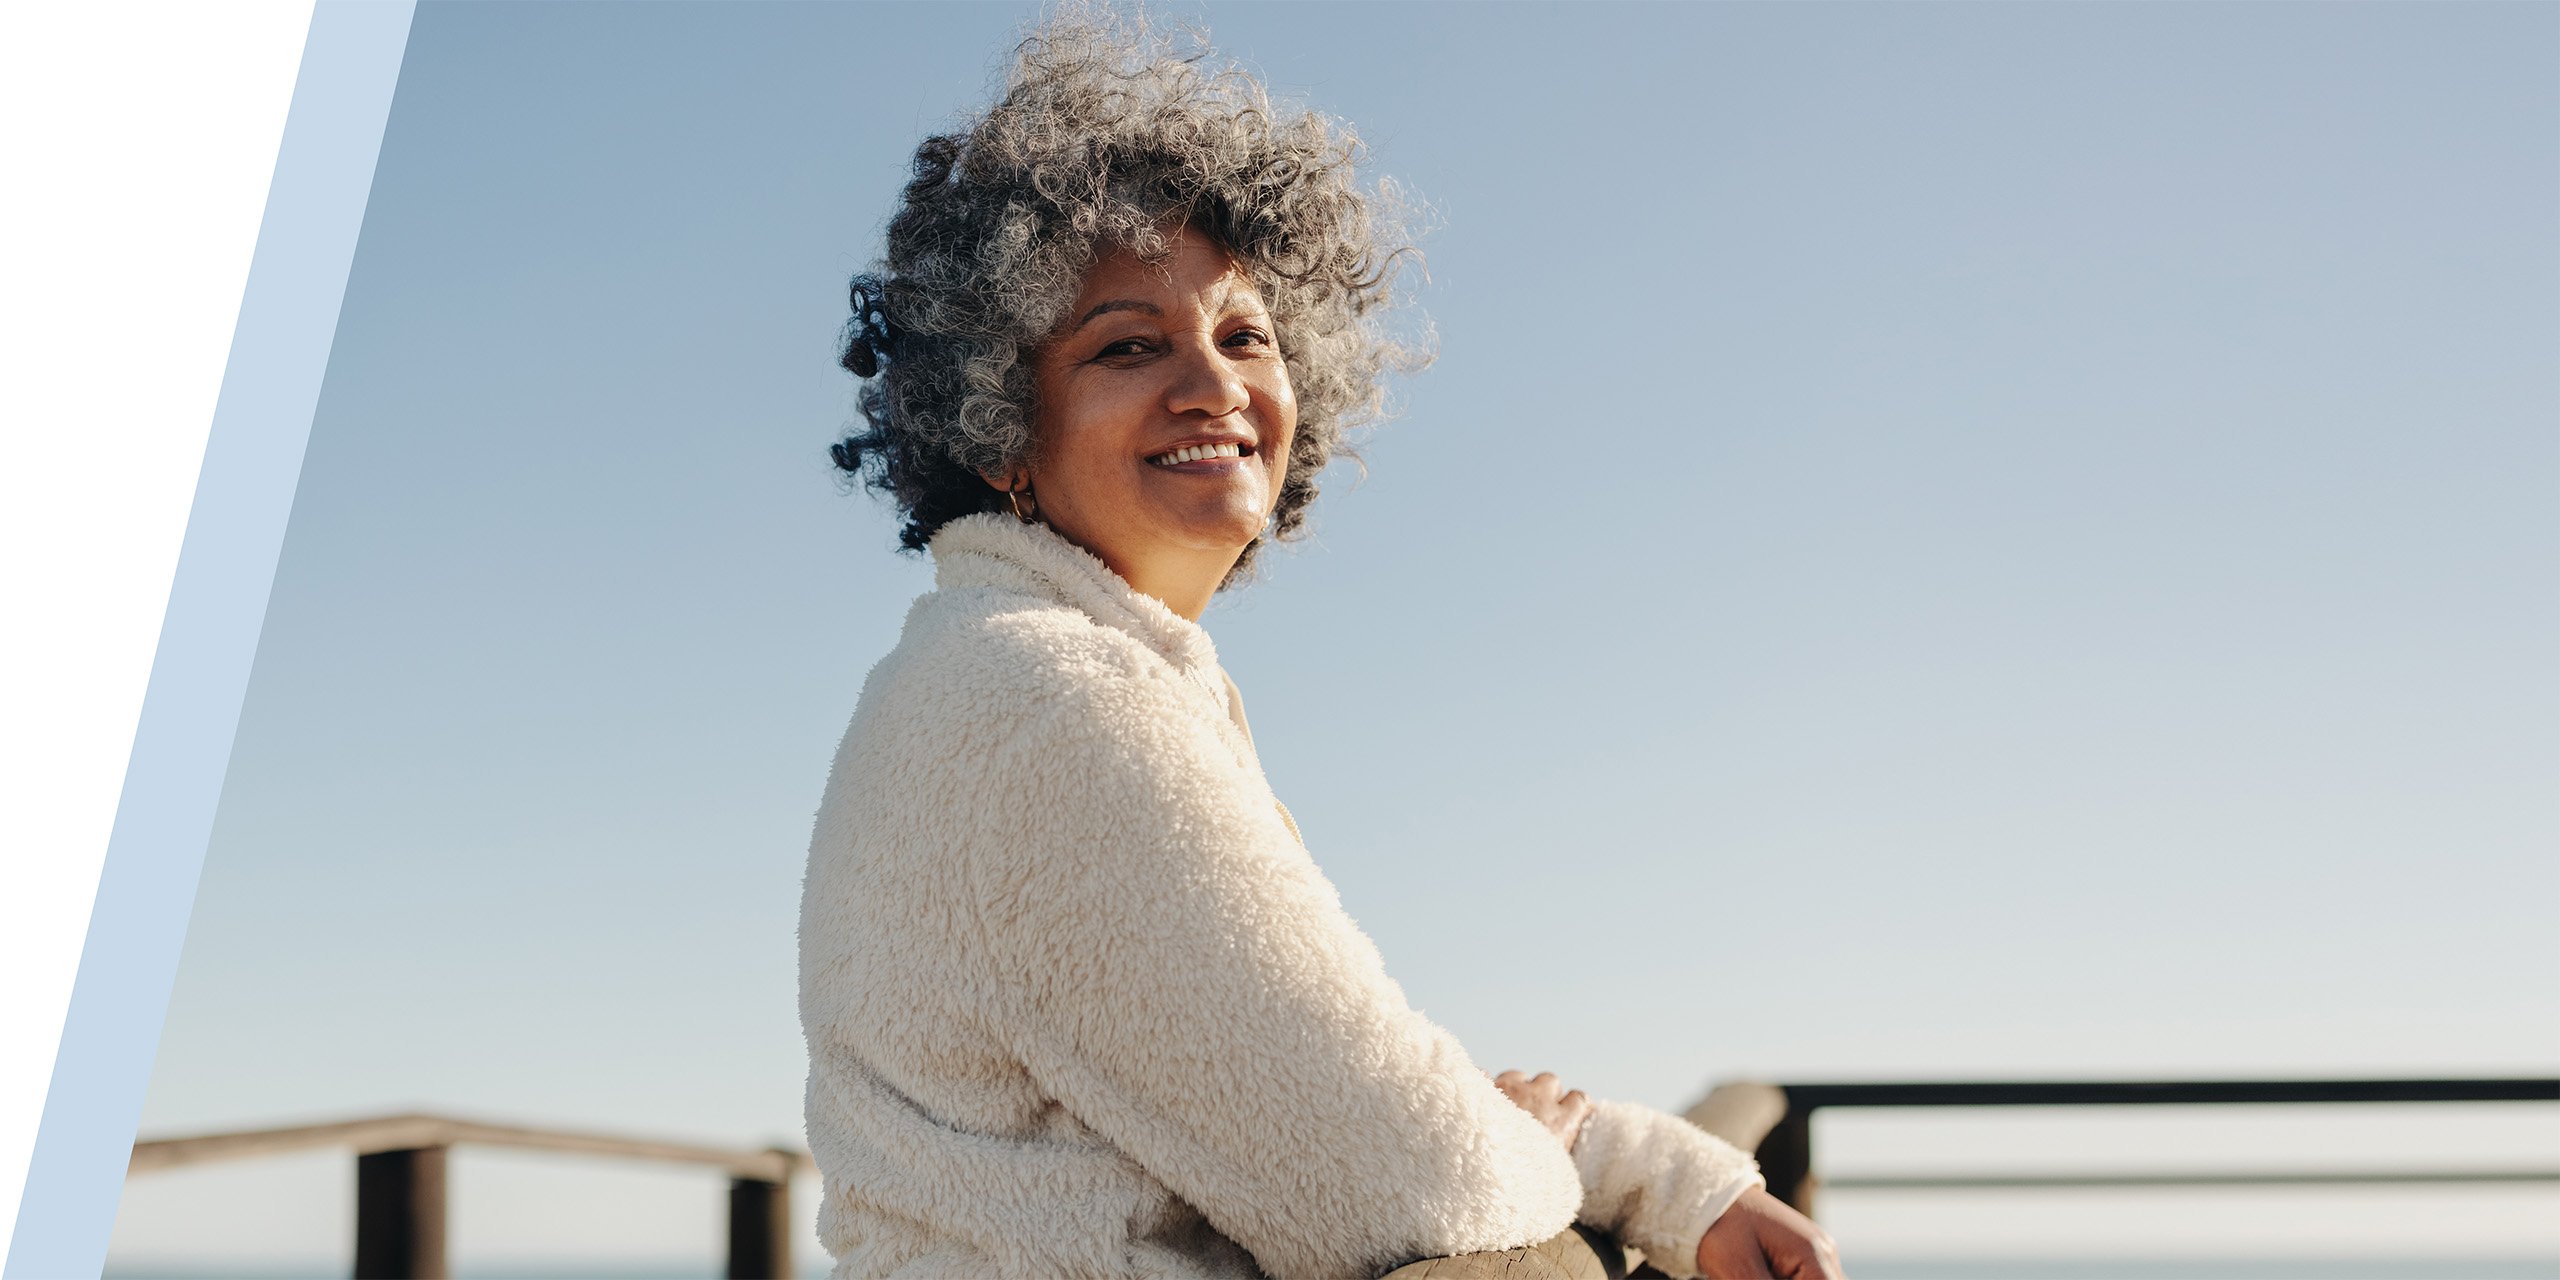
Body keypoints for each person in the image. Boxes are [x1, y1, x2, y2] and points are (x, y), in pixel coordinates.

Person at [801, 13, 1843, 1279]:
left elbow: (1319, 1070)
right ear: (998, 433)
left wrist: (1653, 1172)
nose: (1213, 385)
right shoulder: (1048, 701)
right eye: (1127, 346)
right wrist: (1558, 1160)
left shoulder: (1040, 665)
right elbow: (1416, 1180)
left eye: (1245, 335)